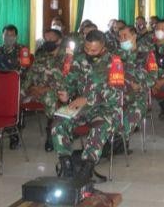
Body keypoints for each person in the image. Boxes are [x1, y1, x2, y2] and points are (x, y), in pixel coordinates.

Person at [52, 30, 122, 180]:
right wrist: (66, 93)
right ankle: (66, 165)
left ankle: (87, 168)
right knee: (58, 121)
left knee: (99, 127)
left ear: (103, 48)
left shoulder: (114, 62)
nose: (89, 53)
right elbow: (71, 82)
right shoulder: (79, 60)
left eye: (94, 50)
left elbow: (115, 93)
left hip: (106, 109)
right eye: (87, 48)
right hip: (82, 108)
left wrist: (87, 99)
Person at [23, 29, 71, 152]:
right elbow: (30, 75)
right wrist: (28, 89)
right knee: (16, 94)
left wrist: (45, 89)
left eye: (51, 39)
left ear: (59, 40)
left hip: (58, 92)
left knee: (50, 97)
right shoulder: (41, 56)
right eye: (46, 39)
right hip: (37, 91)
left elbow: (68, 81)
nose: (47, 41)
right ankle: (13, 131)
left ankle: (51, 131)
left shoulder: (68, 57)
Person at [0, 24, 33, 149]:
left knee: (12, 99)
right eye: (6, 35)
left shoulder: (23, 50)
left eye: (11, 35)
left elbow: (25, 71)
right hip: (1, 85)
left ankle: (14, 133)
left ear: (16, 37)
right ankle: (6, 127)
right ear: (2, 36)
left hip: (19, 84)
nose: (9, 38)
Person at [118, 26, 154, 143]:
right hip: (117, 95)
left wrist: (140, 86)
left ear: (134, 36)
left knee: (134, 112)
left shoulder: (146, 53)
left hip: (138, 95)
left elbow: (153, 77)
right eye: (120, 37)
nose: (122, 39)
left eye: (125, 36)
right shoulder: (115, 55)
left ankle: (121, 142)